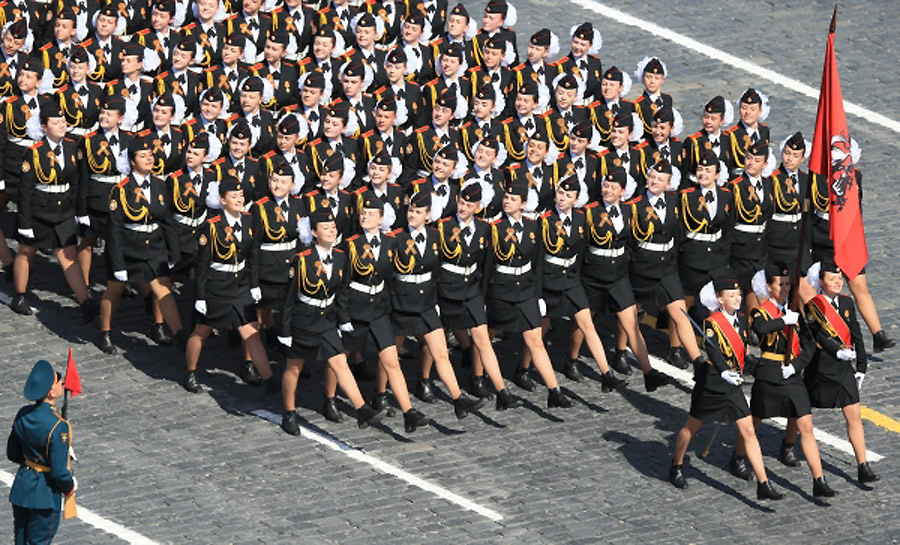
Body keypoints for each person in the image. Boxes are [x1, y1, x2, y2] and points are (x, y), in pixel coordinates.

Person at [669, 277, 783, 500]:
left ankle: (763, 483)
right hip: (712, 383)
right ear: (720, 299)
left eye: (739, 295)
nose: (738, 299)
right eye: (732, 296)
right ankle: (677, 464)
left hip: (732, 386)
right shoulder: (712, 323)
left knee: (748, 431)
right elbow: (713, 353)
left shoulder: (740, 320)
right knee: (691, 427)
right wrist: (723, 372)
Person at [278, 208, 387, 432]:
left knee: (340, 363)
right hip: (304, 320)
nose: (331, 231)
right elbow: (288, 300)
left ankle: (361, 409)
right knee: (294, 368)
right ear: (314, 233)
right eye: (325, 228)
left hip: (327, 319)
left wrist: (343, 320)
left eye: (333, 227)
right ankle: (289, 412)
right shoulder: (301, 260)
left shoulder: (340, 257)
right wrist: (285, 330)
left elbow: (342, 291)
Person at [736, 262, 835, 497]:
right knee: (753, 423)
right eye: (780, 284)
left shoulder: (794, 313)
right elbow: (759, 329)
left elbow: (809, 345)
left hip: (791, 375)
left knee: (806, 426)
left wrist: (797, 366)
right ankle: (738, 457)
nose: (785, 288)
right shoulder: (762, 311)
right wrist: (784, 321)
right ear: (769, 287)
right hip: (769, 373)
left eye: (789, 284)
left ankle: (818, 479)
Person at [389, 190, 487, 418]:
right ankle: (381, 394)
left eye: (418, 211)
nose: (412, 215)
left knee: (441, 352)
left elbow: (436, 270)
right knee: (390, 356)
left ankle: (457, 398)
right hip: (402, 303)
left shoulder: (435, 237)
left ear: (428, 214)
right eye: (410, 210)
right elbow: (389, 275)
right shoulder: (395, 238)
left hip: (426, 302)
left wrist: (435, 301)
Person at [573, 167, 669, 391]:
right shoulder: (589, 212)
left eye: (612, 187)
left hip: (618, 276)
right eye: (605, 185)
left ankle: (648, 373)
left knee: (632, 325)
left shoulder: (629, 211)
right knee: (583, 324)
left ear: (622, 191)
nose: (607, 190)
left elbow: (633, 240)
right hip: (593, 276)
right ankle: (572, 358)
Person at [526, 176, 626, 390]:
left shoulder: (581, 219)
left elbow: (580, 252)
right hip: (549, 283)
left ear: (576, 199)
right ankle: (523, 369)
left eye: (568, 196)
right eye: (560, 193)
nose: (562, 198)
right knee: (539, 331)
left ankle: (607, 374)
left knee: (588, 326)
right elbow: (538, 260)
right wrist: (537, 294)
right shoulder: (544, 220)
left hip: (571, 281)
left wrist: (577, 278)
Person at [342, 191, 431, 432]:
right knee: (340, 359)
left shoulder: (391, 242)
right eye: (363, 213)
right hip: (355, 308)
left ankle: (408, 411)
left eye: (371, 214)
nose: (365, 217)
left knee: (392, 361)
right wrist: (342, 316)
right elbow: (343, 282)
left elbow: (393, 276)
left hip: (379, 310)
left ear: (381, 219)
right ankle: (329, 398)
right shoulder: (351, 244)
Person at [184, 176, 279, 393]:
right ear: (222, 200)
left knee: (252, 332)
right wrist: (200, 296)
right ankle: (190, 372)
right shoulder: (211, 226)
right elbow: (202, 265)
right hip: (217, 286)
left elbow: (253, 255)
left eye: (241, 196)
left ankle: (268, 379)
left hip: (241, 286)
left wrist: (254, 285)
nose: (239, 199)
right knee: (202, 331)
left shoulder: (248, 220)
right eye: (233, 196)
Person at [485, 178, 574, 407]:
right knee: (486, 338)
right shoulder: (494, 228)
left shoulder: (533, 227)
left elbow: (538, 264)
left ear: (523, 203)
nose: (507, 202)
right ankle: (478, 377)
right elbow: (487, 266)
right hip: (501, 290)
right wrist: (484, 297)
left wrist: (539, 294)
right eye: (506, 197)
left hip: (525, 289)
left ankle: (554, 392)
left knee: (535, 341)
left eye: (513, 199)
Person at [433, 182, 522, 408]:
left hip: (471, 289)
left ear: (478, 207)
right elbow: (435, 264)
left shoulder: (484, 229)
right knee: (431, 344)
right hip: (446, 288)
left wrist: (481, 297)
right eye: (461, 203)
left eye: (468, 205)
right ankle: (424, 380)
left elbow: (486, 265)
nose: (463, 208)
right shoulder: (442, 227)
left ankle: (502, 392)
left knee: (483, 340)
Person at [98, 134, 189, 355]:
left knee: (164, 289)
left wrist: (173, 252)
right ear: (131, 161)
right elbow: (115, 231)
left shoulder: (159, 185)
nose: (149, 158)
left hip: (154, 246)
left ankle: (179, 335)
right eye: (142, 155)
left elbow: (167, 221)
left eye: (150, 154)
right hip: (129, 247)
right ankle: (105, 333)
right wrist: (118, 264)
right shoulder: (121, 190)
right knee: (114, 291)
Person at [12, 103, 98, 322]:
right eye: (56, 123)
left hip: (63, 209)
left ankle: (85, 302)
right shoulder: (33, 152)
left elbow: (77, 183)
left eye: (63, 122)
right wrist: (24, 222)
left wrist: (81, 212)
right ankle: (20, 295)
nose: (62, 125)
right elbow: (25, 191)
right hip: (39, 209)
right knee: (26, 251)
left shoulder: (72, 147)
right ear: (44, 127)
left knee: (68, 255)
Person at [801, 260, 879, 484]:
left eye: (839, 278)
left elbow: (855, 333)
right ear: (821, 282)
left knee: (854, 413)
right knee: (802, 414)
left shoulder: (846, 302)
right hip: (821, 368)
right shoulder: (812, 306)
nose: (837, 282)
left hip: (843, 369)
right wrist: (837, 351)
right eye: (832, 279)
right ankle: (788, 443)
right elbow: (819, 335)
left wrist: (861, 366)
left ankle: (862, 465)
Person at [7, 360, 76, 545]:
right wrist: (69, 486)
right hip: (44, 496)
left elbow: (12, 453)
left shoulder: (23, 413)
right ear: (50, 392)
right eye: (57, 381)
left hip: (22, 488)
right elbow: (59, 472)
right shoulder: (58, 425)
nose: (61, 383)